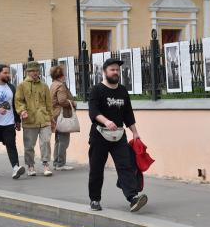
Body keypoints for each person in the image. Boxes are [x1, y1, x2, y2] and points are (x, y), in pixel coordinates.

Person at [88, 58, 148, 212]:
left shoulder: (122, 90)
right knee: (96, 168)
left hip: (119, 135)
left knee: (126, 166)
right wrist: (106, 121)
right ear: (105, 72)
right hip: (99, 135)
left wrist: (135, 133)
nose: (116, 72)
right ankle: (95, 199)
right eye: (112, 69)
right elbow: (93, 112)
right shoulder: (97, 90)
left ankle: (133, 198)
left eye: (117, 70)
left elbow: (128, 113)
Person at [15, 61, 54, 177]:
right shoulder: (22, 86)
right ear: (28, 72)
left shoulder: (44, 86)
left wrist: (51, 119)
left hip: (44, 119)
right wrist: (22, 111)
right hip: (29, 120)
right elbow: (18, 101)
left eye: (37, 70)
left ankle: (46, 165)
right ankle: (30, 166)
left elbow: (49, 103)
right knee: (29, 145)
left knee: (46, 142)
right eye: (32, 71)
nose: (35, 73)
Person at [50, 66, 76, 171]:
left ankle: (56, 162)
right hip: (62, 115)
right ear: (61, 75)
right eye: (64, 74)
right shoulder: (60, 86)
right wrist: (73, 103)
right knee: (64, 140)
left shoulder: (53, 84)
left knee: (58, 140)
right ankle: (60, 163)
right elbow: (62, 101)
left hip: (55, 115)